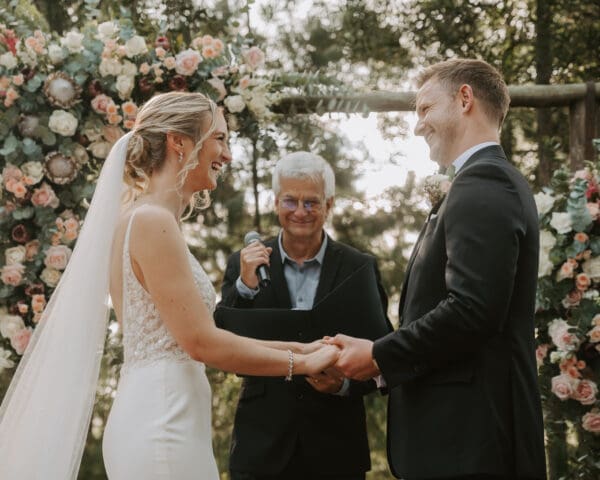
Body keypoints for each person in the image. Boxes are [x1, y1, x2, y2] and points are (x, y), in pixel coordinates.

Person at [0, 92, 339, 480]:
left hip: (165, 415)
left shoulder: (144, 219)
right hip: (163, 423)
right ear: (180, 141)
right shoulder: (151, 223)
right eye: (220, 139)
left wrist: (306, 346)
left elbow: (199, 335)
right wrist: (304, 363)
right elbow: (202, 344)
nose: (227, 155)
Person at [328, 59, 547, 480]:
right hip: (460, 440)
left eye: (425, 109)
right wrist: (374, 370)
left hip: (471, 445)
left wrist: (377, 356)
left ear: (464, 98)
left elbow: (472, 310)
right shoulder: (483, 182)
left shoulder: (485, 181)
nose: (417, 126)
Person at [219, 151, 392, 480]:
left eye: (311, 202)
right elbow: (223, 342)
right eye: (290, 201)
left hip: (336, 449)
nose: (300, 211)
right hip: (260, 447)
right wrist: (244, 286)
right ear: (275, 203)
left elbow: (381, 353)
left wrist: (342, 387)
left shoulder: (359, 268)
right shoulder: (244, 264)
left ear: (329, 205)